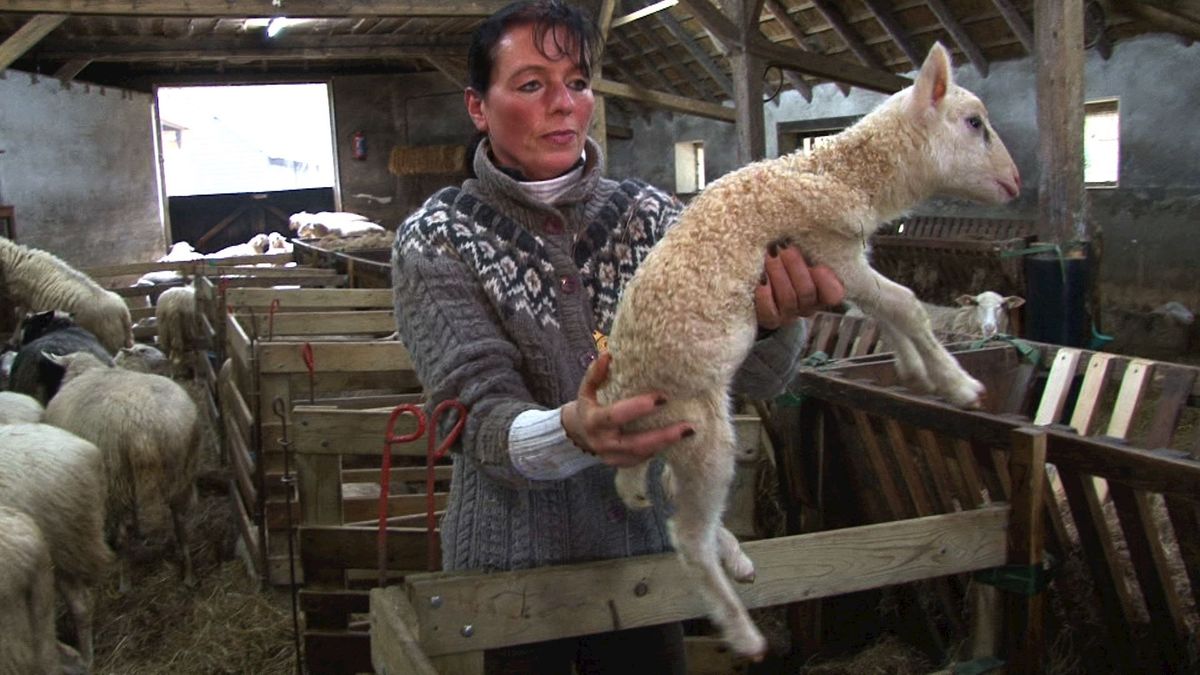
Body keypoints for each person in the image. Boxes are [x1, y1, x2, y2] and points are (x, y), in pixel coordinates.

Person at [390, 2, 844, 672]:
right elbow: (476, 413)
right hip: (511, 579)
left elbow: (752, 379)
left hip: (642, 563)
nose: (565, 104)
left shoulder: (658, 221)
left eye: (576, 81)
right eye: (531, 84)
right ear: (478, 107)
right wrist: (572, 430)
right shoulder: (437, 238)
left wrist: (770, 323)